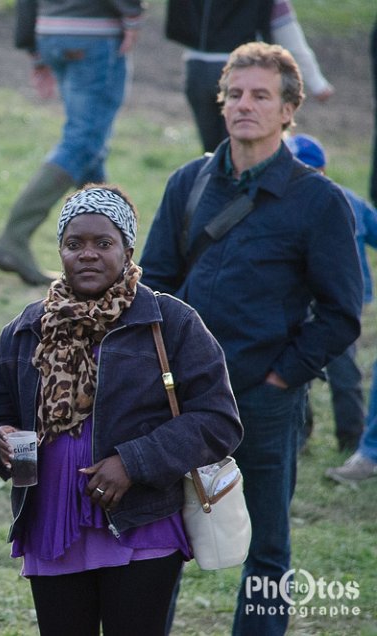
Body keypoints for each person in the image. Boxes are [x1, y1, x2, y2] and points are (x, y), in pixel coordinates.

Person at [140, 42, 361, 635]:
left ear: (289, 110)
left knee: (266, 552)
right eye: (235, 94)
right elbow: (154, 283)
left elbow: (341, 314)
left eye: (261, 95)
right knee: (159, 539)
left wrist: (280, 377)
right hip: (181, 401)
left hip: (264, 402)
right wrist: (163, 370)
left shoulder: (319, 201)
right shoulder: (189, 183)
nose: (244, 105)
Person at [0, 185, 242, 635]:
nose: (88, 254)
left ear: (128, 251)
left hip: (141, 525)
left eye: (103, 243)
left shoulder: (169, 323)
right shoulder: (25, 330)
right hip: (51, 525)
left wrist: (133, 463)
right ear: (60, 251)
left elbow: (218, 421)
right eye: (74, 243)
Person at [0, 0, 143, 286]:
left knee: (91, 147)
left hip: (51, 31)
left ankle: (112, 249)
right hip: (94, 33)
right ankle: (14, 237)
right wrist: (132, 14)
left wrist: (32, 45)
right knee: (83, 142)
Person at [285, 133, 377, 454]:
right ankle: (299, 436)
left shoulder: (346, 202)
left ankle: (352, 437)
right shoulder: (280, 205)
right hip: (299, 298)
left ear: (322, 170)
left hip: (343, 300)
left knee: (344, 368)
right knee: (298, 366)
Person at [165, 0, 334, 153]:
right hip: (245, 70)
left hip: (196, 69)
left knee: (214, 153)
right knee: (248, 149)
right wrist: (317, 83)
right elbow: (287, 31)